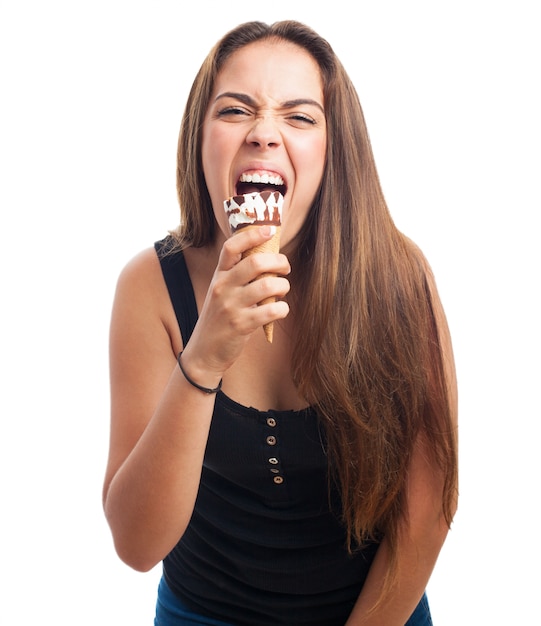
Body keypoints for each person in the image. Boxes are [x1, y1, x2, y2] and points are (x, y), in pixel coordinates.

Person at [102, 20, 458, 626]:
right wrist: (205, 358)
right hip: (200, 612)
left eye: (299, 117)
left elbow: (426, 513)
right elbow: (137, 547)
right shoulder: (149, 287)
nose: (264, 134)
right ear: (200, 138)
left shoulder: (398, 277)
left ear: (333, 148)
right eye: (236, 110)